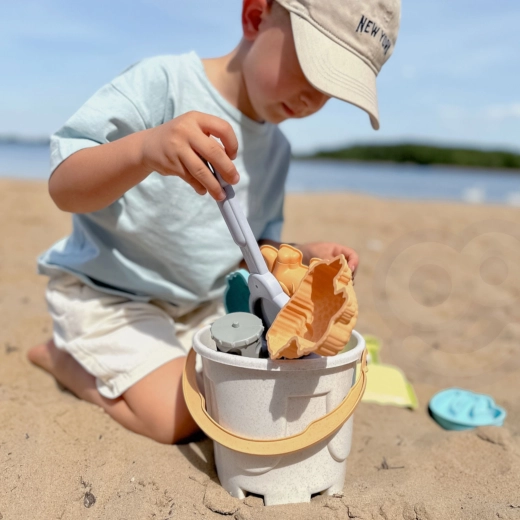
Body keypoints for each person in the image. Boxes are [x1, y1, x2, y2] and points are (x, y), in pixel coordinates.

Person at [28, 0, 401, 444]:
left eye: (333, 89)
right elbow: (64, 188)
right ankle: (63, 359)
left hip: (202, 304)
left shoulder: (277, 151)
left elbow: (251, 250)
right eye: (312, 69)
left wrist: (302, 254)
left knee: (266, 377)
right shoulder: (164, 84)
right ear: (255, 16)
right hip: (110, 295)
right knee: (179, 417)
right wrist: (144, 149)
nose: (313, 100)